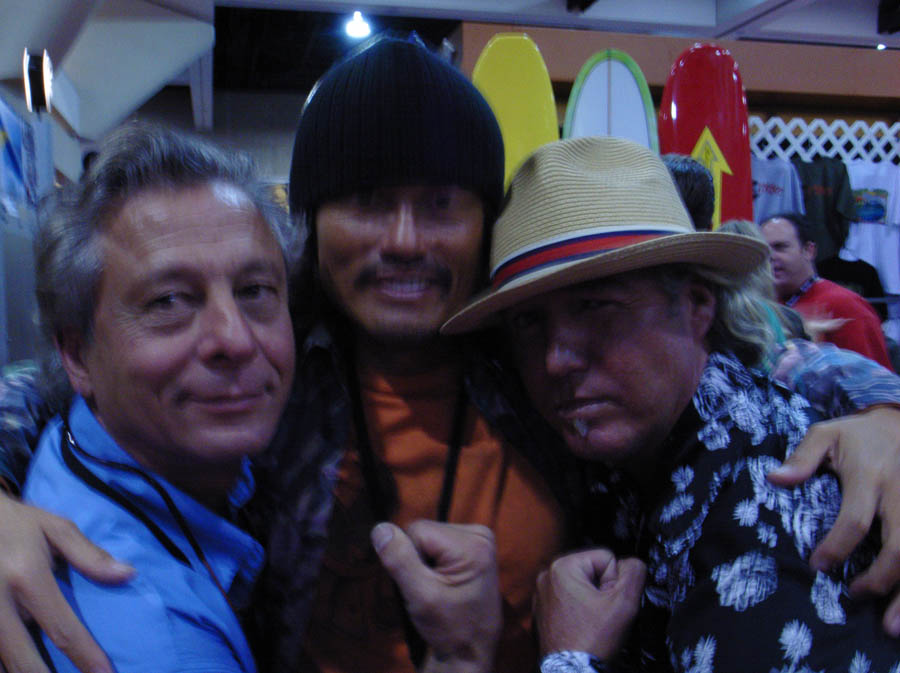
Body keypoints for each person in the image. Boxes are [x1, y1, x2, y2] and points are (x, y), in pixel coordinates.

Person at [4, 34, 900, 673]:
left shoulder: (537, 356)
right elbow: (63, 383)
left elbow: (751, 357)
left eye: (440, 204)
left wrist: (884, 415)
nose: (403, 240)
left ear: (483, 223)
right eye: (366, 200)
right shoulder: (267, 361)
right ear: (312, 226)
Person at [443, 136, 900, 672]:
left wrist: (571, 658)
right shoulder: (634, 443)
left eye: (596, 306)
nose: (555, 360)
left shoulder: (763, 494)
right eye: (528, 321)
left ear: (698, 305)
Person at [23, 123, 298, 672]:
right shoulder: (160, 642)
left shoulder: (92, 439)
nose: (236, 340)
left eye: (254, 290)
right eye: (169, 301)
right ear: (77, 356)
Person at [760, 212, 894, 370]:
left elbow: (873, 380)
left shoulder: (846, 306)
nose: (770, 257)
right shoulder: (763, 306)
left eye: (780, 247)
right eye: (765, 249)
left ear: (809, 251)